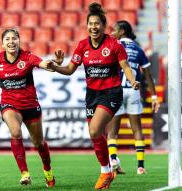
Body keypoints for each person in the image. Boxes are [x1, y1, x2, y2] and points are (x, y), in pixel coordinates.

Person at [46, 3, 140, 190]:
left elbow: (126, 67)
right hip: (92, 95)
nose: (93, 27)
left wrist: (132, 81)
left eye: (97, 23)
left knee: (95, 130)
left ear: (104, 26)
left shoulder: (114, 44)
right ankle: (107, 170)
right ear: (87, 25)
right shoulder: (82, 46)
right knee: (95, 135)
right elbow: (70, 70)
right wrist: (55, 66)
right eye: (90, 24)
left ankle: (105, 172)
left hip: (111, 93)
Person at [0, 28, 57, 187]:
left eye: (14, 38)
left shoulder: (28, 57)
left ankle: (48, 170)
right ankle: (25, 173)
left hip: (30, 105)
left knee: (39, 143)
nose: (11, 42)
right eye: (7, 39)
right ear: (2, 44)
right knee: (15, 131)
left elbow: (44, 64)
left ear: (19, 41)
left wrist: (54, 63)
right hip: (9, 103)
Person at [107, 20, 160, 175]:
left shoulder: (114, 46)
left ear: (122, 31)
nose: (112, 33)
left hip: (116, 91)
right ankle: (140, 166)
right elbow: (148, 75)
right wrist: (154, 96)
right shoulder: (138, 49)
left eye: (114, 30)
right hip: (133, 90)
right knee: (137, 129)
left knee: (112, 130)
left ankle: (113, 158)